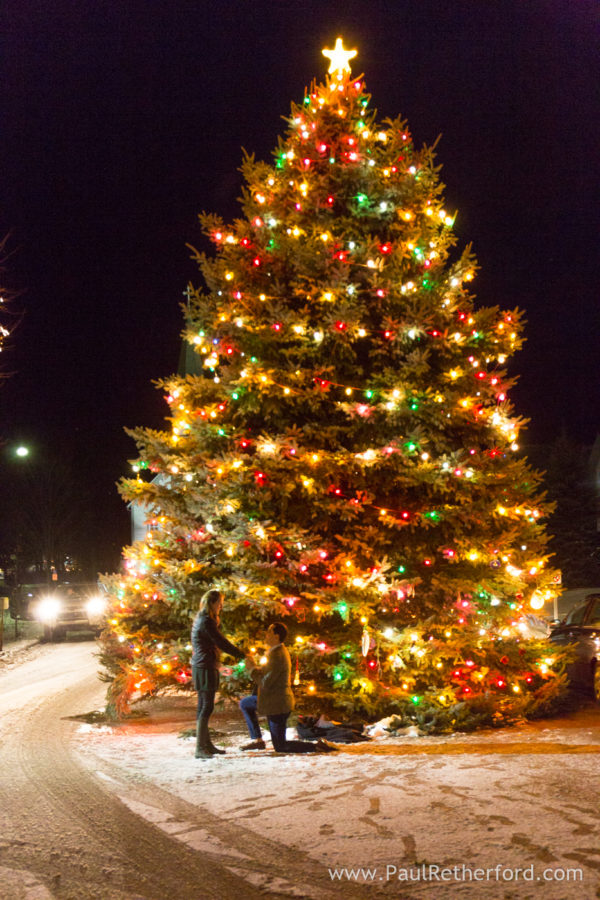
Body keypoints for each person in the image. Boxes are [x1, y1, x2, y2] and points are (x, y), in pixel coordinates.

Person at [241, 622, 337, 753]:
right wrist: (256, 668)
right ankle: (257, 740)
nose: (266, 634)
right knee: (246, 704)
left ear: (276, 636)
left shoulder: (277, 655)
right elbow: (268, 675)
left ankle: (316, 746)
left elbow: (265, 683)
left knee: (280, 746)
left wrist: (252, 669)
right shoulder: (274, 652)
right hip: (270, 700)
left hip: (277, 705)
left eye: (269, 631)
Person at [191, 588, 245, 759]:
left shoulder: (204, 619)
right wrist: (241, 654)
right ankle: (201, 747)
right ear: (213, 603)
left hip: (204, 665)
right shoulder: (206, 621)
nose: (221, 606)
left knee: (204, 705)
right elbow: (221, 642)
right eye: (220, 603)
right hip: (205, 666)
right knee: (206, 706)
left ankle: (206, 744)